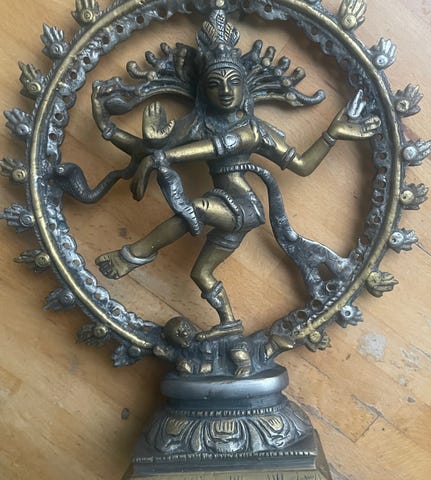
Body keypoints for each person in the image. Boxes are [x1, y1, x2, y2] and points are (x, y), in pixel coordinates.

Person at [89, 7, 380, 341]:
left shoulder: (252, 130)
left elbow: (300, 165)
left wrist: (332, 133)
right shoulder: (195, 125)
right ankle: (228, 323)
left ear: (245, 87)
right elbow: (144, 152)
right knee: (202, 274)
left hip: (242, 206)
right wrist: (108, 128)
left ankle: (134, 255)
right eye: (215, 84)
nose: (226, 90)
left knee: (196, 208)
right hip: (229, 211)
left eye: (233, 82)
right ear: (204, 91)